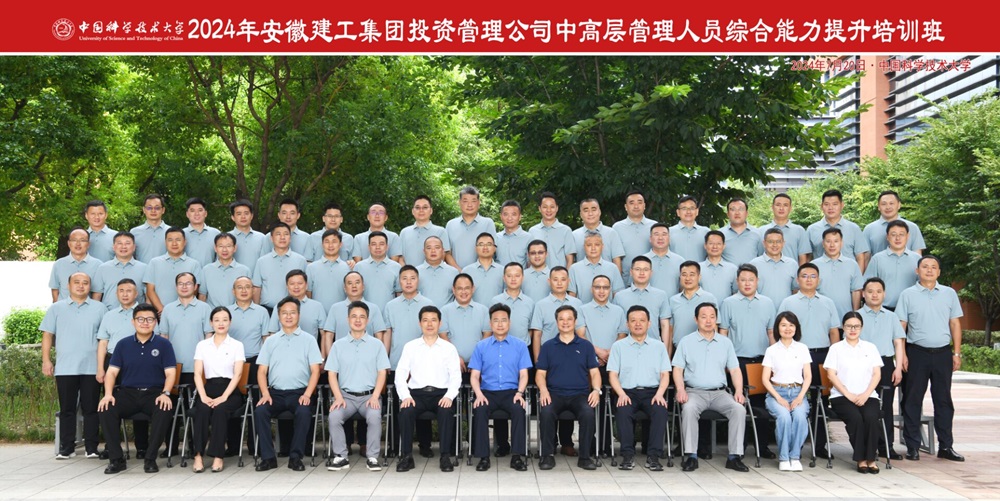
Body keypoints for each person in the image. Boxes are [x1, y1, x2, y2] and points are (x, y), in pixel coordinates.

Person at [895, 255, 965, 462]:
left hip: (943, 353)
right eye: (925, 266)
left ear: (939, 272)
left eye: (934, 267)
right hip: (916, 353)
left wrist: (956, 353)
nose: (929, 270)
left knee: (943, 400)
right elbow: (901, 326)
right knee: (912, 400)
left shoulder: (949, 293)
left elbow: (955, 324)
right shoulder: (907, 294)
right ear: (917, 271)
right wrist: (902, 354)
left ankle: (946, 446)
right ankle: (913, 446)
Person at [98, 303, 177, 474]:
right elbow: (111, 372)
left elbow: (171, 373)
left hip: (154, 393)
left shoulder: (164, 344)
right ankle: (116, 459)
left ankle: (150, 458)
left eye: (150, 319)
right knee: (106, 408)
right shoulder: (123, 344)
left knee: (164, 409)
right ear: (133, 322)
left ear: (155, 322)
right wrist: (108, 394)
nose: (145, 323)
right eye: (140, 319)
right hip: (128, 393)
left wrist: (165, 393)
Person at [672, 302, 749, 473]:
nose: (708, 321)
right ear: (696, 319)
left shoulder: (725, 343)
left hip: (719, 393)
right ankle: (691, 456)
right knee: (689, 409)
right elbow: (677, 369)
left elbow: (735, 370)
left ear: (716, 319)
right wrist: (680, 389)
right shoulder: (686, 342)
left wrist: (738, 391)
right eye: (704, 317)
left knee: (739, 409)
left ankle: (734, 457)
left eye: (712, 317)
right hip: (694, 392)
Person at [777, 262, 840, 458]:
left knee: (821, 400)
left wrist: (834, 359)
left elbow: (834, 332)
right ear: (798, 280)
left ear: (818, 280)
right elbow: (780, 330)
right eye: (804, 276)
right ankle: (790, 445)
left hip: (822, 356)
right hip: (795, 356)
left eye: (813, 276)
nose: (809, 279)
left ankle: (819, 445)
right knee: (795, 397)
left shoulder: (828, 303)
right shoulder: (788, 302)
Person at [253, 296, 323, 472]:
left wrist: (307, 394)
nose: (288, 316)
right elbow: (261, 371)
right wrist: (265, 393)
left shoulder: (309, 340)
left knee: (304, 412)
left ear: (299, 315)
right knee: (260, 411)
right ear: (278, 316)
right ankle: (268, 458)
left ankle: (295, 457)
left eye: (292, 313)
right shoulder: (271, 341)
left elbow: (315, 371)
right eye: (284, 313)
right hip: (275, 394)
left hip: (300, 393)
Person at [41, 272, 105, 459]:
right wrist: (46, 360)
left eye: (85, 283)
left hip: (92, 367)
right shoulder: (57, 308)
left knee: (91, 409)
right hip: (65, 367)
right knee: (67, 409)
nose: (81, 286)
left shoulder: (100, 308)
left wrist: (102, 366)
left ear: (90, 286)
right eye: (76, 282)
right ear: (68, 286)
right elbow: (47, 334)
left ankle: (91, 447)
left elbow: (104, 338)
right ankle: (66, 447)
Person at [719, 263, 777, 460]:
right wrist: (725, 362)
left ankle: (763, 446)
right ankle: (739, 447)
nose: (747, 283)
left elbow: (771, 333)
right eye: (743, 280)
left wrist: (774, 361)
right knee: (738, 406)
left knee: (762, 407)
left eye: (751, 280)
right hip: (736, 363)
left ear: (757, 281)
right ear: (737, 281)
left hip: (761, 362)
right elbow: (723, 332)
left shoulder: (768, 303)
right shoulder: (728, 303)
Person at [394, 305, 462, 472]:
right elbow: (400, 374)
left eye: (433, 320)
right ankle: (407, 456)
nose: (429, 324)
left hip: (441, 394)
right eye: (425, 320)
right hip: (416, 394)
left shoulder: (448, 348)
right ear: (420, 323)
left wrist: (449, 396)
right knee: (406, 411)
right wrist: (405, 396)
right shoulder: (410, 347)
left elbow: (456, 376)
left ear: (440, 323)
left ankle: (445, 456)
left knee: (446, 411)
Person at [325, 301, 391, 472]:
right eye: (354, 316)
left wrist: (375, 396)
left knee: (374, 417)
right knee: (334, 417)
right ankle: (341, 456)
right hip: (345, 397)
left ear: (367, 320)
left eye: (362, 317)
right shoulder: (338, 345)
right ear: (348, 319)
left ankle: (372, 457)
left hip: (369, 396)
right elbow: (331, 374)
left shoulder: (377, 344)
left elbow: (382, 372)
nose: (358, 320)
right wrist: (338, 397)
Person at [536, 305, 601, 470]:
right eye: (561, 319)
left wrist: (596, 390)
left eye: (569, 319)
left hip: (579, 395)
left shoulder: (586, 346)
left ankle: (585, 457)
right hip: (554, 394)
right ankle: (547, 456)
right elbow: (540, 374)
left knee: (588, 413)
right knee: (546, 412)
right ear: (556, 321)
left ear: (575, 321)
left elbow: (594, 372)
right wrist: (543, 390)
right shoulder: (548, 346)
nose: (565, 322)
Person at [469, 303, 532, 471]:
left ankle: (517, 457)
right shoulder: (481, 346)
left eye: (504, 320)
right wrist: (479, 394)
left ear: (509, 323)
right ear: (490, 324)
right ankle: (483, 457)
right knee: (480, 410)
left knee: (519, 409)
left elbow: (524, 374)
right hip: (487, 392)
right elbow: (474, 376)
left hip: (512, 392)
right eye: (496, 320)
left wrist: (519, 393)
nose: (500, 324)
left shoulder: (520, 346)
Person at [608, 305, 671, 471]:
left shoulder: (659, 346)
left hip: (653, 392)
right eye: (633, 320)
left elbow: (665, 374)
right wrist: (621, 394)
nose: (638, 324)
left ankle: (654, 456)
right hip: (627, 392)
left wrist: (660, 394)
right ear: (627, 324)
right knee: (623, 410)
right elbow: (613, 375)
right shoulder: (618, 346)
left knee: (660, 411)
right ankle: (627, 456)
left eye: (642, 320)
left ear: (649, 323)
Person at [824, 312, 884, 474]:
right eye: (849, 326)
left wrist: (866, 394)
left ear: (861, 328)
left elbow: (877, 374)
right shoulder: (836, 348)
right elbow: (831, 375)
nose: (852, 329)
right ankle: (861, 459)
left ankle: (871, 458)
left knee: (871, 417)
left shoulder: (870, 347)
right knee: (856, 418)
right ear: (843, 328)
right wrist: (848, 394)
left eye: (856, 326)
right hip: (841, 396)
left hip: (868, 395)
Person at [191, 306, 246, 473]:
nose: (221, 323)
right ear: (211, 323)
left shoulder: (236, 345)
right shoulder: (202, 345)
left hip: (230, 390)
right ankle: (198, 455)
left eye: (224, 320)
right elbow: (197, 373)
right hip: (208, 388)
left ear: (230, 322)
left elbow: (238, 374)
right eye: (217, 320)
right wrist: (203, 396)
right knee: (202, 410)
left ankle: (218, 456)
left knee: (221, 410)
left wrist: (224, 396)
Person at [579, 275, 628, 457]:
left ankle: (608, 445)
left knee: (612, 404)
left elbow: (622, 335)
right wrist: (598, 353)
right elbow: (581, 335)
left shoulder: (618, 311)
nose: (601, 291)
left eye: (605, 287)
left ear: (610, 290)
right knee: (593, 403)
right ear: (592, 289)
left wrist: (609, 355)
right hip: (591, 364)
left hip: (613, 364)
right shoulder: (582, 309)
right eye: (597, 287)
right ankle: (592, 445)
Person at [857, 277, 906, 460]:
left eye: (878, 291)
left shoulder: (892, 317)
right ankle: (865, 446)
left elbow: (898, 342)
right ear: (863, 294)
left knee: (885, 407)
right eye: (870, 291)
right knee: (865, 406)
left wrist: (898, 367)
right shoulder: (856, 316)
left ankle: (886, 446)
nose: (874, 295)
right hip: (862, 365)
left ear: (884, 294)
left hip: (886, 365)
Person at [761, 311, 812, 472]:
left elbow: (808, 376)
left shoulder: (802, 348)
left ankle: (795, 457)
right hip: (776, 393)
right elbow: (765, 379)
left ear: (796, 328)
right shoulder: (772, 350)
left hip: (798, 393)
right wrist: (778, 398)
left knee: (800, 417)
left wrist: (800, 397)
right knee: (784, 417)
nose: (787, 328)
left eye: (791, 325)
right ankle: (784, 458)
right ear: (777, 328)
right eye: (783, 325)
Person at [158, 272, 213, 386]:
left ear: (195, 286)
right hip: (173, 366)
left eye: (188, 283)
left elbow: (209, 336)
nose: (184, 287)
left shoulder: (205, 308)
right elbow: (164, 337)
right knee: (173, 396)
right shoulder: (168, 309)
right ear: (176, 287)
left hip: (197, 366)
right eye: (180, 284)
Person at [806, 189, 870, 272]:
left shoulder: (854, 228)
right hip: (821, 276)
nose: (830, 208)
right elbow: (808, 258)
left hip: (848, 276)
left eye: (835, 204)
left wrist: (858, 278)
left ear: (842, 205)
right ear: (821, 206)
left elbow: (860, 257)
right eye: (826, 204)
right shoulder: (812, 229)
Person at [143, 227, 204, 313]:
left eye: (178, 240)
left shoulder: (194, 264)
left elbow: (194, 291)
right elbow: (150, 290)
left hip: (185, 312)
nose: (174, 243)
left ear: (185, 242)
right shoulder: (154, 262)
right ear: (165, 242)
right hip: (158, 313)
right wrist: (163, 311)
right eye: (170, 240)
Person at [613, 256, 671, 345]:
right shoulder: (619, 296)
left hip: (653, 346)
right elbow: (616, 326)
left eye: (646, 269)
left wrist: (664, 350)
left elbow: (664, 325)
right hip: (626, 346)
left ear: (651, 273)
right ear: (631, 272)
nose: (642, 273)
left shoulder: (661, 295)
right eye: (637, 269)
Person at [863, 220, 920, 310]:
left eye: (901, 234)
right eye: (893, 235)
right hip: (883, 309)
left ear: (908, 236)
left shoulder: (917, 259)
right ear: (887, 237)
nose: (898, 238)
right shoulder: (877, 259)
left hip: (911, 309)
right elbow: (867, 285)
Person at [439, 274, 491, 372]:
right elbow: (443, 337)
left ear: (473, 289)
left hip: (478, 365)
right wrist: (455, 358)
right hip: (451, 364)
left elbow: (487, 337)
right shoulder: (444, 311)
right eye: (459, 288)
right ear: (453, 290)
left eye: (467, 288)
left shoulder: (484, 310)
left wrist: (476, 359)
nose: (463, 292)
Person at [252, 222, 307, 312]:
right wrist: (256, 310)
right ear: (271, 238)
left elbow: (306, 288)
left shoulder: (301, 260)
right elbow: (257, 287)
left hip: (293, 311)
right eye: (278, 234)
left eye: (286, 234)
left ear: (290, 238)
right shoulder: (261, 261)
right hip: (267, 310)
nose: (282, 237)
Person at [666, 261, 717, 353]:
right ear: (680, 277)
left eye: (692, 274)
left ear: (699, 277)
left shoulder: (709, 298)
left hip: (704, 351)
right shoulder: (673, 300)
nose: (688, 278)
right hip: (678, 350)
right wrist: (668, 357)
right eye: (684, 275)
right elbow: (670, 330)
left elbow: (715, 328)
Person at [812, 228, 863, 319]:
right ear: (823, 244)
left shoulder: (852, 264)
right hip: (820, 316)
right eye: (828, 241)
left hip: (846, 317)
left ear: (841, 243)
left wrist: (855, 315)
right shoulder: (813, 265)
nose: (832, 245)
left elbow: (856, 291)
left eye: (836, 241)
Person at [267, 270, 327, 342]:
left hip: (309, 348)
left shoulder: (317, 306)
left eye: (300, 283)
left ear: (306, 285)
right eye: (292, 284)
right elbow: (273, 333)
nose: (296, 287)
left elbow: (324, 334)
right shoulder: (279, 306)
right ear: (287, 286)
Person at [612, 190, 657, 287]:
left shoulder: (654, 226)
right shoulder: (617, 227)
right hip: (625, 282)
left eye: (639, 202)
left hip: (651, 281)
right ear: (626, 207)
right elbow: (616, 257)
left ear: (644, 205)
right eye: (632, 203)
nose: (636, 206)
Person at [92, 231, 148, 309]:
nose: (123, 246)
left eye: (127, 243)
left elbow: (148, 295)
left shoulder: (144, 268)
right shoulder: (103, 268)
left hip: (137, 314)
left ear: (134, 247)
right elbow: (97, 295)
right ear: (114, 247)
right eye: (119, 243)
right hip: (109, 313)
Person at [446, 186, 498, 269]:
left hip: (482, 272)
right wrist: (459, 272)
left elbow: (492, 250)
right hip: (456, 274)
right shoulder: (451, 225)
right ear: (459, 202)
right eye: (465, 201)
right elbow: (447, 253)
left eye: (473, 201)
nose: (469, 205)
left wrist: (476, 271)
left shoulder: (488, 223)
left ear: (479, 203)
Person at [863, 190, 926, 256]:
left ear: (899, 205)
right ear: (878, 207)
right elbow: (866, 257)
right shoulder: (869, 229)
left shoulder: (912, 227)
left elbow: (917, 256)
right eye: (884, 204)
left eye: (891, 203)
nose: (888, 207)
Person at [399, 195, 455, 267]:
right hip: (409, 273)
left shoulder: (440, 231)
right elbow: (400, 258)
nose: (421, 210)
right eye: (417, 208)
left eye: (425, 207)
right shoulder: (404, 232)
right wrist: (407, 271)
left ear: (431, 210)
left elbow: (444, 255)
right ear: (413, 211)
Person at [568, 232, 625, 303]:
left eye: (597, 245)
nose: (593, 248)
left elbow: (617, 294)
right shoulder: (574, 268)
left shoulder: (613, 268)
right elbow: (572, 295)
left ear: (602, 246)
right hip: (581, 309)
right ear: (584, 247)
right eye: (589, 245)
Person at [573, 199, 625, 274]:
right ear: (581, 214)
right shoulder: (574, 235)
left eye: (593, 210)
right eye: (586, 210)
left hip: (607, 279)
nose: (590, 213)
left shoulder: (611, 233)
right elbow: (572, 261)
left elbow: (617, 260)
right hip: (582, 278)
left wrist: (616, 279)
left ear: (599, 212)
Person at [49, 228, 102, 302]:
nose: (78, 244)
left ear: (88, 244)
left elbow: (97, 292)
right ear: (69, 243)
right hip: (64, 307)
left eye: (82, 240)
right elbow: (55, 290)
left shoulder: (98, 265)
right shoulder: (59, 264)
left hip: (87, 307)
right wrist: (58, 307)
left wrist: (92, 308)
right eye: (74, 240)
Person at [749, 228, 799, 307]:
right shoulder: (754, 264)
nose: (774, 245)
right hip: (760, 308)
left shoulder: (792, 264)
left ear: (783, 243)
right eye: (770, 241)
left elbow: (795, 290)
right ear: (764, 243)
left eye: (778, 241)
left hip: (786, 311)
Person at [304, 229, 351, 311]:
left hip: (341, 313)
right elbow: (308, 294)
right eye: (327, 242)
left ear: (340, 244)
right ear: (322, 244)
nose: (330, 245)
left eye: (334, 241)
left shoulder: (348, 268)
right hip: (317, 313)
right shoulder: (311, 268)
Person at [354, 231, 402, 310]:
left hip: (388, 312)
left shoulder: (396, 267)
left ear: (387, 247)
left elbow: (399, 294)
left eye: (381, 244)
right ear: (369, 247)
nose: (377, 247)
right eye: (374, 244)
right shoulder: (359, 267)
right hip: (364, 313)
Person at [756, 193, 810, 265]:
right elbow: (758, 255)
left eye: (785, 205)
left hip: (791, 271)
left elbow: (803, 259)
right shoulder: (761, 231)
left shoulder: (799, 230)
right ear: (772, 207)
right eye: (778, 205)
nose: (781, 208)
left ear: (790, 208)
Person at [200, 233, 251, 308]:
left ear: (235, 248)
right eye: (220, 246)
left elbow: (249, 297)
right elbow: (202, 295)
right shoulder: (206, 270)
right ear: (215, 248)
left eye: (228, 246)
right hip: (212, 313)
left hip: (237, 313)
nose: (224, 250)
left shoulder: (244, 270)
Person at [528, 192, 576, 269]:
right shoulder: (532, 231)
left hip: (559, 275)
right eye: (545, 207)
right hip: (538, 275)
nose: (548, 210)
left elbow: (570, 259)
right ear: (539, 209)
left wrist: (566, 275)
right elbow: (529, 259)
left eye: (552, 207)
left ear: (557, 208)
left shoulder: (566, 230)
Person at [461, 232, 505, 305]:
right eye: (481, 244)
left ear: (494, 248)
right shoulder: (466, 271)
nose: (485, 247)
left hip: (497, 311)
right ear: (476, 248)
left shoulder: (503, 271)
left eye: (489, 244)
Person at [416, 235, 459, 306]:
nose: (433, 251)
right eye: (429, 248)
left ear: (443, 250)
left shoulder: (454, 272)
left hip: (446, 313)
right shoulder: (416, 272)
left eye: (437, 247)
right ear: (424, 251)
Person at [228, 199, 269, 275]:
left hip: (256, 281)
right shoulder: (226, 238)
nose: (243, 217)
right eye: (239, 214)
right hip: (233, 280)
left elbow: (266, 263)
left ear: (252, 216)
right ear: (233, 217)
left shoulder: (262, 238)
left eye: (246, 213)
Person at [644, 223, 684, 296]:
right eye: (656, 234)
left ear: (669, 238)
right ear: (650, 238)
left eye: (664, 234)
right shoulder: (641, 261)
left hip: (672, 302)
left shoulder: (680, 261)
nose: (660, 238)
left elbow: (684, 288)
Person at [719, 198, 761, 266]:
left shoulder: (758, 234)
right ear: (728, 214)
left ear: (746, 213)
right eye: (733, 209)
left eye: (741, 209)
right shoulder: (719, 234)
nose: (737, 213)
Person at [131, 193, 171, 264]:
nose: (153, 211)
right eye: (149, 208)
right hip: (142, 271)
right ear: (144, 210)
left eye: (157, 208)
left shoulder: (171, 232)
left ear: (163, 210)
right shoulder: (134, 232)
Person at [699, 230, 737, 301]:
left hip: (726, 307)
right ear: (705, 245)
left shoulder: (733, 269)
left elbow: (736, 293)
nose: (715, 247)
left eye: (719, 244)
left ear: (724, 246)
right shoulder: (698, 268)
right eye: (711, 243)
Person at [182, 197, 221, 267]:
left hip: (210, 273)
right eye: (192, 211)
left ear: (205, 213)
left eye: (200, 210)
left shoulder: (216, 233)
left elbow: (220, 258)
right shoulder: (181, 234)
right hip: (187, 273)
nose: (196, 213)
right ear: (187, 214)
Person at [669, 195, 709, 262]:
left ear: (697, 211)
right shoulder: (669, 232)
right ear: (678, 212)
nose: (688, 212)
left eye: (692, 208)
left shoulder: (706, 232)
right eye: (684, 208)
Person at [495, 199, 533, 268]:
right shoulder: (495, 237)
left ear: (520, 217)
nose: (509, 218)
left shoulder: (528, 238)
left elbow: (531, 264)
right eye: (506, 214)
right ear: (501, 216)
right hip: (499, 275)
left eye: (514, 214)